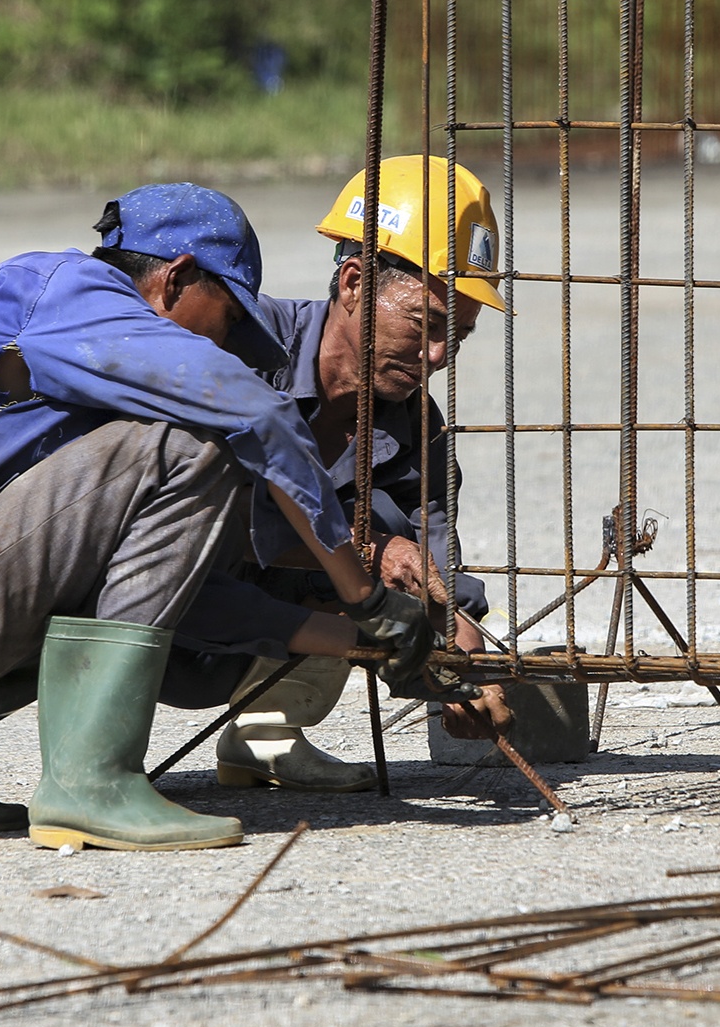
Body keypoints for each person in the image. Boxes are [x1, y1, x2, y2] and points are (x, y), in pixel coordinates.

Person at [0, 183, 451, 852]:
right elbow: (258, 413)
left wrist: (347, 636)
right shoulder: (74, 297)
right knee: (199, 441)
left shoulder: (39, 314)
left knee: (146, 490)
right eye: (225, 322)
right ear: (177, 278)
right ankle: (91, 785)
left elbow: (138, 585)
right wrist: (362, 594)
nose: (224, 345)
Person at [156, 156, 511, 792]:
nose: (437, 357)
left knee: (410, 577)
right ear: (352, 283)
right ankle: (93, 762)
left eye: (455, 338)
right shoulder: (239, 347)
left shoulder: (418, 427)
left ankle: (263, 734)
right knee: (371, 550)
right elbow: (171, 508)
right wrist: (368, 552)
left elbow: (439, 570)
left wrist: (462, 663)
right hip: (154, 604)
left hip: (250, 617)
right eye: (425, 325)